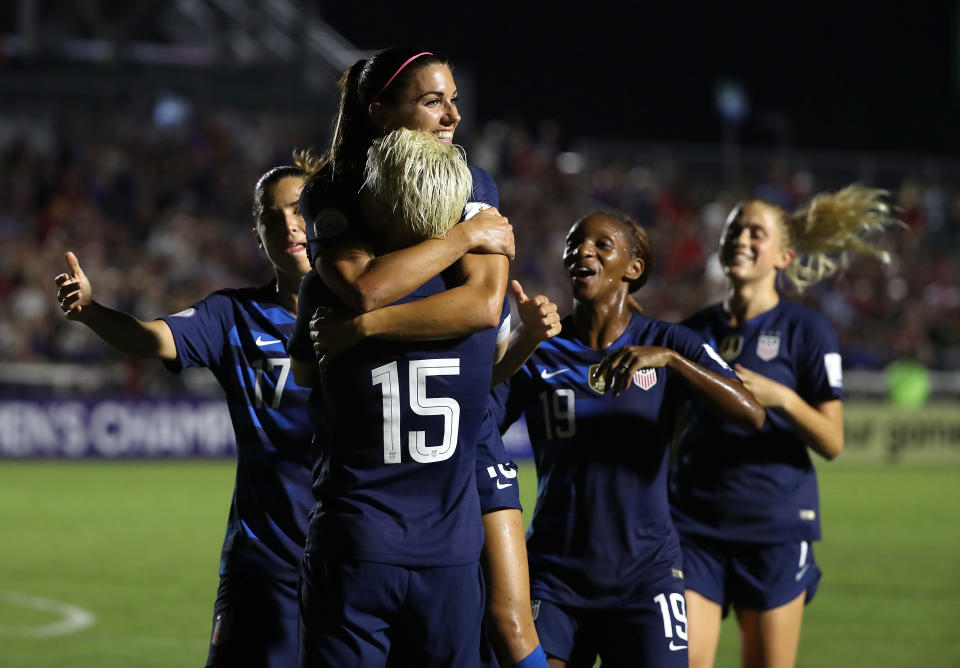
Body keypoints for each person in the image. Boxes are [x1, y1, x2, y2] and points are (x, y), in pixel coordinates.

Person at [290, 48, 552, 668]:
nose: (453, 115)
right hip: (427, 533)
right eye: (433, 101)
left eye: (453, 99)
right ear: (380, 113)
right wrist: (463, 237)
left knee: (515, 626)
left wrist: (368, 329)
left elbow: (484, 306)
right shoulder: (333, 188)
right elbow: (368, 288)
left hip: (376, 526)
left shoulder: (470, 177)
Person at [53, 164, 315, 667]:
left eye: (299, 210)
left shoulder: (373, 315)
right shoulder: (231, 316)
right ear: (258, 235)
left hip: (352, 560)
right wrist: (92, 312)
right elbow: (150, 338)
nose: (289, 225)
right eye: (272, 216)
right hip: (261, 567)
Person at [492, 210, 765, 668]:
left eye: (602, 244)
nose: (583, 250)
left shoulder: (667, 341)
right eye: (575, 242)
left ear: (632, 269)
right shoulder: (542, 348)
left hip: (646, 577)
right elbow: (480, 425)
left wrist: (674, 363)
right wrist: (516, 343)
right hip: (554, 578)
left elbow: (751, 413)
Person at [669, 186, 899, 668]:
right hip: (694, 527)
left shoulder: (807, 331)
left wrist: (784, 399)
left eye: (757, 232)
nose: (742, 239)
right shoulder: (692, 332)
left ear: (784, 255)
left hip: (774, 528)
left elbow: (833, 442)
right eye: (735, 230)